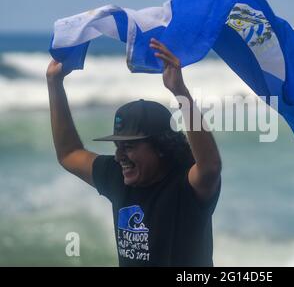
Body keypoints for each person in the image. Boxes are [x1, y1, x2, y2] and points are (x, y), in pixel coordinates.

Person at [46, 38, 222, 266]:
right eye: (117, 147)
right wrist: (54, 83)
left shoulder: (185, 185)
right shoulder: (116, 176)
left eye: (129, 146)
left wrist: (180, 92)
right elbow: (69, 154)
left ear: (160, 147)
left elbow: (210, 167)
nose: (119, 157)